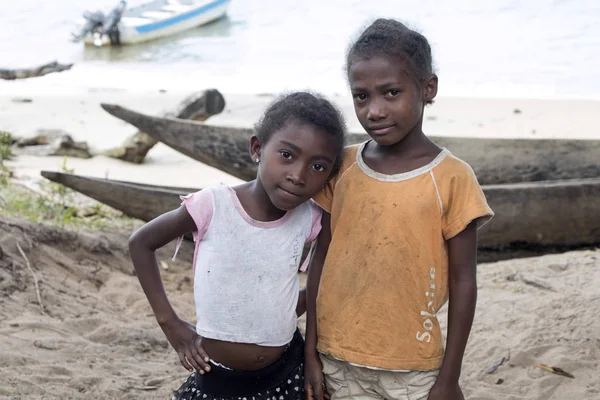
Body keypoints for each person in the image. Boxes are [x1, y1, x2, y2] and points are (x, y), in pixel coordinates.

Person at [304, 19, 494, 400]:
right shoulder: (344, 167)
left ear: (428, 88)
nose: (374, 110)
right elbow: (319, 260)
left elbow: (463, 283)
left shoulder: (452, 178)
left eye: (391, 93)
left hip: (413, 369)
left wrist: (449, 377)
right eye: (361, 96)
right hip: (337, 358)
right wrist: (310, 351)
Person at [128, 91, 346, 400]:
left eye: (318, 167)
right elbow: (141, 243)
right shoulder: (214, 206)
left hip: (285, 372)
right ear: (257, 148)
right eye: (287, 155)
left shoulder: (311, 219)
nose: (298, 175)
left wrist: (293, 325)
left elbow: (320, 282)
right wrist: (170, 323)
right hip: (217, 378)